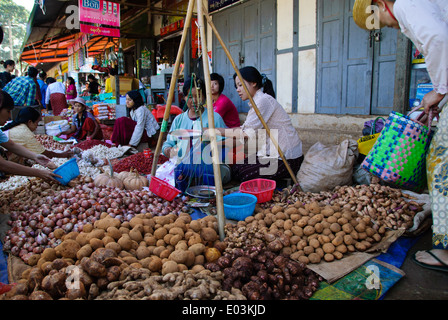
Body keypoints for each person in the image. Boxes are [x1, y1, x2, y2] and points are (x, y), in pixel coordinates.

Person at [353, 0, 448, 271]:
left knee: (441, 167)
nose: (391, 26)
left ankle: (447, 251)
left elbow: (439, 38)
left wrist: (439, 91)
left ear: (381, 4)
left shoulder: (406, 5)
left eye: (384, 21)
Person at [218, 66, 304, 182]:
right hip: (271, 154)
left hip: (287, 158)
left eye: (240, 85)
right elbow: (245, 131)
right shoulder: (256, 103)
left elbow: (245, 134)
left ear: (253, 83)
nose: (238, 89)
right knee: (236, 168)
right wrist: (220, 142)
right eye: (236, 86)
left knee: (244, 174)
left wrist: (214, 131)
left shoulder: (263, 101)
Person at [161, 77, 230, 190]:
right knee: (174, 174)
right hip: (184, 167)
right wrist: (169, 151)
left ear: (204, 97)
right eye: (189, 97)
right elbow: (167, 144)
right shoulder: (179, 120)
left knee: (207, 175)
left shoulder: (214, 118)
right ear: (184, 97)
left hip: (210, 167)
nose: (194, 101)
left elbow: (226, 144)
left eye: (198, 96)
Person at [0, 89, 60, 181]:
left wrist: (35, 156)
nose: (9, 116)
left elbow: (11, 145)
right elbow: (2, 164)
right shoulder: (23, 131)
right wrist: (38, 173)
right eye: (8, 111)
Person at [1, 107, 73, 164]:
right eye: (37, 123)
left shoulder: (15, 126)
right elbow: (43, 153)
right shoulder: (24, 132)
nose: (37, 126)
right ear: (30, 122)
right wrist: (62, 155)